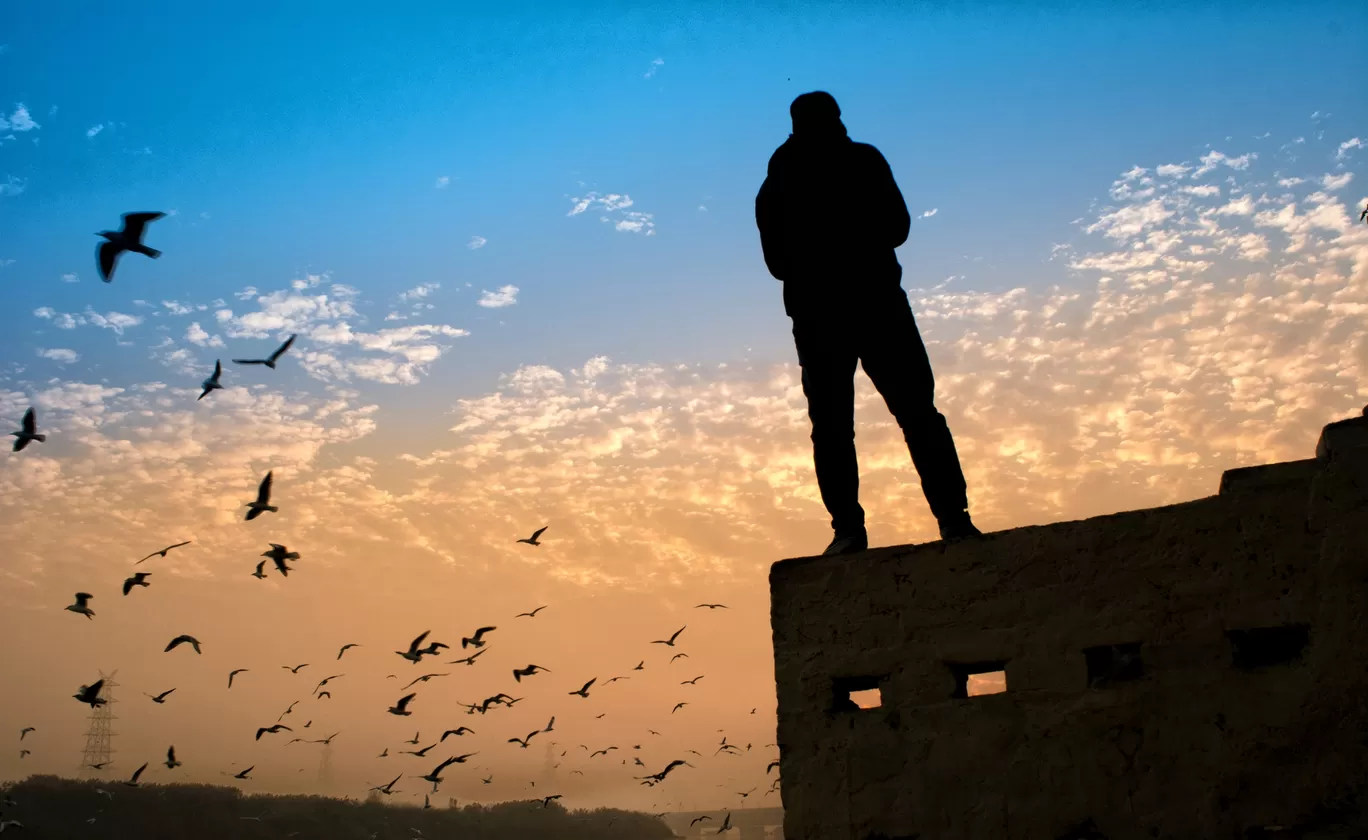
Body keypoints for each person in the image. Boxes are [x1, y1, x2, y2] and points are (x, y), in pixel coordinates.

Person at [755, 91, 981, 556]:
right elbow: (779, 261)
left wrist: (824, 244)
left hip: (869, 309)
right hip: (834, 315)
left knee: (908, 415)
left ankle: (947, 519)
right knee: (843, 426)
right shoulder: (781, 183)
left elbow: (896, 226)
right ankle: (854, 529)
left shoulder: (857, 164)